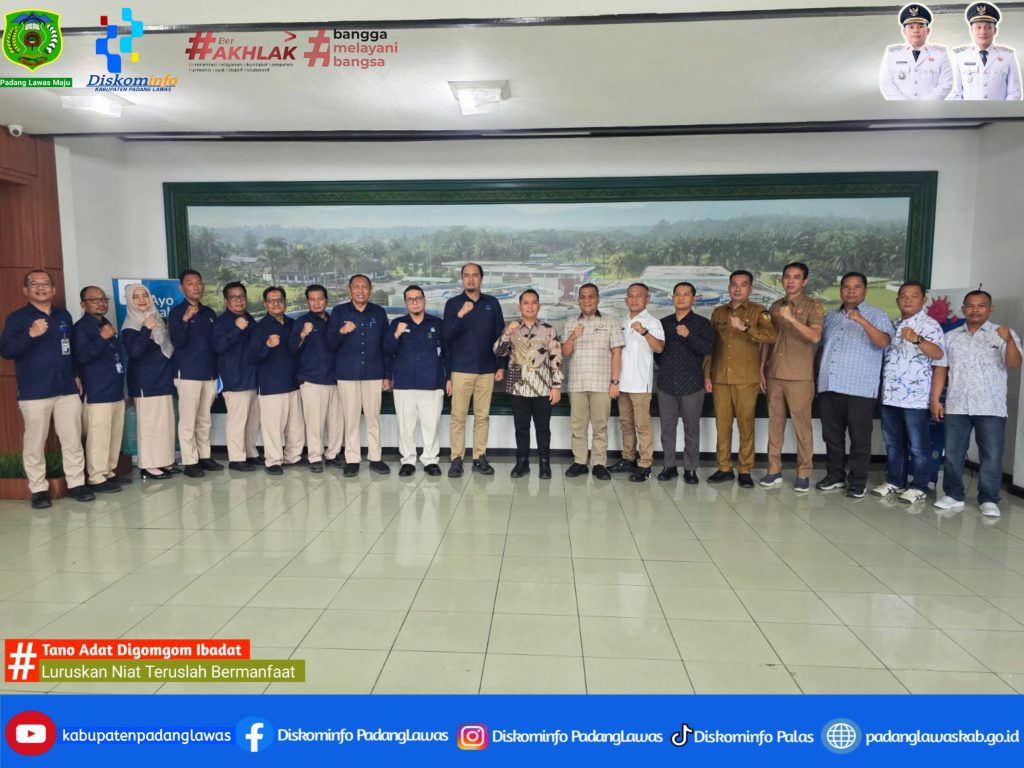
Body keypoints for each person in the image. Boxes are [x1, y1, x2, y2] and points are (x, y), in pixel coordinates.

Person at [0, 270, 92, 508]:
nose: (40, 288)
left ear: (53, 290)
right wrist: (31, 335)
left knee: (72, 439)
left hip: (66, 389)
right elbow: (7, 351)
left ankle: (76, 484)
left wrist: (76, 375)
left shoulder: (63, 315)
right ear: (26, 290)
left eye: (45, 284)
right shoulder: (17, 318)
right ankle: (38, 490)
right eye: (35, 284)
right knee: (35, 442)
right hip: (34, 391)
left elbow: (70, 349)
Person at [931, 290, 1022, 518]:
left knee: (991, 455)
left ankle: (989, 499)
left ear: (990, 309)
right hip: (957, 404)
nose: (975, 309)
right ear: (963, 309)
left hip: (990, 406)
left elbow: (1014, 363)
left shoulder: (1002, 333)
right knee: (953, 453)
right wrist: (935, 399)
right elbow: (941, 369)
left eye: (981, 305)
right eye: (970, 305)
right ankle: (953, 495)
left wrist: (1009, 341)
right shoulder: (951, 336)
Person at [815, 272, 892, 498]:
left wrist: (862, 321)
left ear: (865, 290)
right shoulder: (831, 317)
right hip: (829, 386)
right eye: (846, 287)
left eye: (856, 287)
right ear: (841, 290)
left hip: (859, 388)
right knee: (832, 436)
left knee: (859, 438)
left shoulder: (877, 315)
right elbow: (821, 349)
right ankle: (835, 476)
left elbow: (883, 343)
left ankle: (857, 481)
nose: (851, 291)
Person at [874, 282, 947, 504]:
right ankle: (895, 482)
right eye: (903, 296)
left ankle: (919, 486)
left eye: (914, 296)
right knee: (893, 443)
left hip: (915, 398)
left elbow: (939, 356)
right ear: (897, 300)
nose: (907, 300)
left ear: (924, 300)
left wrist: (918, 339)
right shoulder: (893, 324)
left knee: (918, 446)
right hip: (890, 396)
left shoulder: (930, 326)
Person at [704, 270, 777, 488]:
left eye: (743, 285)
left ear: (750, 289)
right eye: (734, 284)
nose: (738, 288)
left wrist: (746, 328)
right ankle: (724, 468)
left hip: (746, 379)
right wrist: (707, 374)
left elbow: (771, 336)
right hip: (720, 378)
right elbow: (710, 347)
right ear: (729, 288)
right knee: (722, 426)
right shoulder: (718, 312)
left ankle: (745, 470)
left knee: (746, 426)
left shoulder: (759, 311)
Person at [759, 263, 824, 492]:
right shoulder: (776, 306)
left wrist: (792, 319)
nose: (791, 281)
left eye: (796, 277)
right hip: (775, 374)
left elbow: (815, 336)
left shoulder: (813, 306)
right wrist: (761, 369)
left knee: (802, 426)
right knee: (774, 425)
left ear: (804, 282)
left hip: (799, 376)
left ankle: (803, 472)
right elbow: (768, 340)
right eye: (787, 276)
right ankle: (773, 470)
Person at [443, 262, 506, 477]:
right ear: (462, 278)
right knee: (458, 417)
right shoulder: (453, 304)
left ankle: (480, 457)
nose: (471, 279)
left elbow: (501, 337)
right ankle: (456, 459)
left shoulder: (492, 303)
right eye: (466, 275)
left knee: (482, 416)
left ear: (481, 278)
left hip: (487, 370)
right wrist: (460, 315)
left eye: (475, 275)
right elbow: (446, 337)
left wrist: (501, 365)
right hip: (461, 370)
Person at [493, 289, 563, 479]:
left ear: (538, 306)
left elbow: (556, 357)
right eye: (526, 303)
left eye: (533, 303)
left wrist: (556, 386)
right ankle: (522, 462)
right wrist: (507, 332)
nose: (530, 306)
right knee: (521, 428)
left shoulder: (548, 329)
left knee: (543, 428)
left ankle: (544, 463)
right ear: (520, 306)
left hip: (542, 387)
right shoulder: (512, 328)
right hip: (518, 387)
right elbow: (498, 351)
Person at [327, 274, 390, 477]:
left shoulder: (378, 312)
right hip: (347, 374)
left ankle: (375, 458)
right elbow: (330, 343)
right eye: (356, 286)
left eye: (364, 287)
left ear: (370, 290)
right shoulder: (339, 312)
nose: (360, 290)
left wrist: (387, 375)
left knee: (373, 419)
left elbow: (386, 346)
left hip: (374, 373)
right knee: (351, 419)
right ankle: (352, 459)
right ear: (349, 289)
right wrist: (341, 331)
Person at [560, 283, 624, 480]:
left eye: (591, 296)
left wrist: (615, 382)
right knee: (577, 425)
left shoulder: (610, 321)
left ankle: (598, 463)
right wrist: (573, 336)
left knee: (600, 426)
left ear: (598, 299)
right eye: (583, 297)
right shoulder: (570, 322)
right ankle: (580, 462)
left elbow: (617, 353)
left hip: (602, 383)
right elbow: (564, 353)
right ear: (578, 300)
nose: (586, 300)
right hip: (577, 383)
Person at [655, 282, 715, 484]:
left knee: (691, 428)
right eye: (677, 294)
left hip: (692, 384)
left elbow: (708, 348)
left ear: (693, 299)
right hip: (666, 383)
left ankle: (690, 469)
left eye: (686, 294)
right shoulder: (663, 323)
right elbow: (658, 353)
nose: (681, 298)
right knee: (667, 428)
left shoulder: (702, 323)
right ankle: (669, 466)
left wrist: (689, 336)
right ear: (672, 298)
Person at [386, 285, 446, 477]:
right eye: (410, 299)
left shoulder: (437, 323)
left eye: (418, 298)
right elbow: (387, 350)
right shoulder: (397, 323)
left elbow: (448, 352)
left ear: (424, 300)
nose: (415, 302)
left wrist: (449, 378)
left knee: (431, 425)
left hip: (432, 382)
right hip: (405, 383)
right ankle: (408, 461)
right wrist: (396, 335)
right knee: (406, 426)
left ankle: (430, 460)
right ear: (405, 302)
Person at [168, 269, 222, 478]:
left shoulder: (209, 312)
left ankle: (204, 456)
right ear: (182, 288)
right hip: (188, 374)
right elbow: (178, 342)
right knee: (188, 420)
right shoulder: (176, 312)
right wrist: (185, 320)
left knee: (204, 419)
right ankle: (190, 461)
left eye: (199, 283)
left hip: (209, 373)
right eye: (190, 284)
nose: (196, 287)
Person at [609, 283, 665, 482]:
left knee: (642, 425)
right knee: (625, 424)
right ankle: (628, 458)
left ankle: (645, 464)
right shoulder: (622, 321)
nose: (634, 299)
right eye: (630, 296)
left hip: (641, 384)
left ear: (647, 299)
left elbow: (659, 348)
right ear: (626, 300)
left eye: (638, 296)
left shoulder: (652, 322)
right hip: (622, 383)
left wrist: (644, 332)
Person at [73, 286, 127, 493]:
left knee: (114, 433)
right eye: (94, 300)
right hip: (96, 390)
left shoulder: (106, 323)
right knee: (99, 435)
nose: (101, 303)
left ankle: (108, 471)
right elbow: (82, 357)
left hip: (114, 387)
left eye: (104, 299)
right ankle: (96, 477)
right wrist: (102, 338)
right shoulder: (81, 328)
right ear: (83, 304)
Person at [120, 283, 177, 481]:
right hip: (145, 382)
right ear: (130, 301)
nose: (142, 300)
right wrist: (146, 328)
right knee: (150, 425)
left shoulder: (157, 318)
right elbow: (135, 352)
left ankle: (164, 460)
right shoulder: (130, 326)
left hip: (162, 378)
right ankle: (149, 464)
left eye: (144, 295)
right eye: (136, 297)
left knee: (164, 423)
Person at [288, 284, 341, 473]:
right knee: (314, 423)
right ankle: (315, 457)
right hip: (312, 379)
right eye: (312, 299)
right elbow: (291, 349)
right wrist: (303, 334)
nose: (316, 303)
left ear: (326, 300)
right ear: (307, 301)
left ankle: (333, 454)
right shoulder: (302, 322)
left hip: (335, 379)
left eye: (320, 299)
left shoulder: (334, 321)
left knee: (336, 422)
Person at [251, 287, 304, 475]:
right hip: (271, 384)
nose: (276, 303)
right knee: (273, 427)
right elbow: (253, 357)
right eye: (271, 300)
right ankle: (273, 461)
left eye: (279, 300)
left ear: (285, 302)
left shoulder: (293, 324)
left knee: (295, 426)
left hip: (293, 383)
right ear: (265, 304)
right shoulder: (260, 327)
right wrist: (267, 345)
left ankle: (293, 457)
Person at [211, 281, 261, 473]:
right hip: (235, 379)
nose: (239, 300)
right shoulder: (222, 322)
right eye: (234, 297)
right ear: (226, 301)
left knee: (252, 421)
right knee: (237, 421)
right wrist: (237, 329)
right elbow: (218, 346)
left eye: (242, 296)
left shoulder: (250, 319)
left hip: (253, 378)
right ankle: (236, 458)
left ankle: (250, 453)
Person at [880, 4, 953, 101]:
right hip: (901, 108)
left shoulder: (940, 54)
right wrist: (906, 106)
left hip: (931, 108)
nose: (916, 31)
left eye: (921, 26)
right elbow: (886, 83)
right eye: (911, 27)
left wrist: (924, 106)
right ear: (904, 31)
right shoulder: (893, 54)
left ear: (928, 31)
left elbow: (946, 84)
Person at [950, 2, 1021, 101]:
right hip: (968, 110)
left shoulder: (1007, 56)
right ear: (971, 30)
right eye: (978, 27)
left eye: (988, 27)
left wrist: (1002, 110)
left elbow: (1014, 92)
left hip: (1000, 111)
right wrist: (967, 110)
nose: (983, 32)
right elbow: (955, 93)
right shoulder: (960, 56)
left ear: (995, 30)